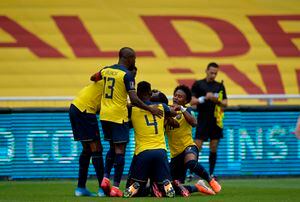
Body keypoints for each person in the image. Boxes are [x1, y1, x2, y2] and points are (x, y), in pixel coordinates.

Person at [90, 47, 163, 197]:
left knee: (111, 147)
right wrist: (152, 110)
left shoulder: (106, 70)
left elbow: (93, 77)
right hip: (118, 116)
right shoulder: (127, 75)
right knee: (120, 151)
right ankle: (116, 186)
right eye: (134, 59)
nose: (134, 62)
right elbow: (135, 99)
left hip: (104, 115)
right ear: (128, 59)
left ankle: (105, 177)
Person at [165, 85, 221, 197]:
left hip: (188, 147)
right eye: (175, 95)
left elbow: (194, 123)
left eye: (180, 97)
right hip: (175, 156)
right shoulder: (168, 111)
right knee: (170, 189)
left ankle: (210, 180)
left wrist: (181, 109)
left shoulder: (187, 110)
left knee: (190, 162)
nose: (176, 98)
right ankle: (198, 187)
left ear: (186, 101)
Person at [124, 81, 176, 198]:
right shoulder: (162, 107)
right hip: (161, 151)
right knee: (161, 188)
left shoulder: (132, 109)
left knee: (137, 186)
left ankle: (136, 186)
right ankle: (166, 184)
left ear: (137, 93)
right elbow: (173, 113)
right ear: (149, 92)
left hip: (143, 152)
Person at [190, 62, 228, 178]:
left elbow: (225, 103)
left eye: (215, 73)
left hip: (215, 120)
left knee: (214, 147)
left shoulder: (219, 86)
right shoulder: (198, 84)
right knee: (197, 146)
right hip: (202, 119)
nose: (213, 75)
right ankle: (191, 173)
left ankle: (211, 173)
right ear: (206, 70)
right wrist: (204, 98)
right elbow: (192, 101)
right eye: (211, 72)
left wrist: (217, 100)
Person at [69, 80, 105, 197]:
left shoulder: (106, 77)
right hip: (85, 110)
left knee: (87, 150)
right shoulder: (120, 82)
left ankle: (80, 188)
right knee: (97, 149)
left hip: (76, 106)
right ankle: (102, 189)